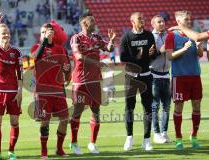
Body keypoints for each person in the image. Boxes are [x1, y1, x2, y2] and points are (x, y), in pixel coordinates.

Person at [70, 13, 116, 155]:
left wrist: (111, 40)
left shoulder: (96, 37)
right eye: (92, 20)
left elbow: (110, 49)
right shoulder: (76, 38)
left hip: (95, 80)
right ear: (84, 23)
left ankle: (92, 143)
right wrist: (96, 62)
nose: (95, 22)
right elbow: (78, 56)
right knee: (77, 111)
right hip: (80, 81)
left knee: (96, 112)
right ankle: (74, 143)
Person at [31, 23, 71, 158]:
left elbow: (65, 67)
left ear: (53, 34)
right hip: (42, 92)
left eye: (46, 32)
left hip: (58, 90)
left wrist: (67, 74)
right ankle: (44, 150)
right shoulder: (36, 47)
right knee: (45, 121)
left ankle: (59, 149)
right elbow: (35, 57)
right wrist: (44, 43)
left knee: (65, 119)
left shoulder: (60, 49)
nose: (44, 34)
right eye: (42, 32)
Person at [0, 12, 23, 160]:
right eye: (3, 33)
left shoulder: (16, 52)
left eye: (7, 33)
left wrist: (20, 91)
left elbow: (20, 73)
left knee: (14, 122)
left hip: (13, 91)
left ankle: (11, 151)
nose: (6, 35)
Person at [165, 10, 204, 150]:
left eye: (189, 19)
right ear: (178, 22)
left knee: (197, 106)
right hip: (179, 77)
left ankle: (194, 137)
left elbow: (200, 54)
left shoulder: (194, 35)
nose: (189, 22)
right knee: (178, 107)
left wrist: (198, 45)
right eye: (186, 20)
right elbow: (169, 56)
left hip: (195, 76)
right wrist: (183, 49)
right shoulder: (171, 36)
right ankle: (179, 139)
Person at [120, 12, 156, 151]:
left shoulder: (148, 35)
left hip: (146, 75)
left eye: (143, 18)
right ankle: (129, 138)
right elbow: (123, 57)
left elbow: (154, 54)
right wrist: (138, 56)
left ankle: (147, 140)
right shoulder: (126, 37)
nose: (143, 20)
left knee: (147, 107)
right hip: (131, 76)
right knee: (129, 107)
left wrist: (153, 53)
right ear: (132, 21)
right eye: (139, 19)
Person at [150, 15, 171, 144]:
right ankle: (156, 133)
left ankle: (164, 132)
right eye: (159, 22)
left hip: (167, 75)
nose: (162, 23)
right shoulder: (150, 37)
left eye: (163, 21)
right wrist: (159, 51)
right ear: (153, 24)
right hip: (154, 76)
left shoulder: (169, 36)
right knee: (155, 106)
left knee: (167, 106)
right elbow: (147, 57)